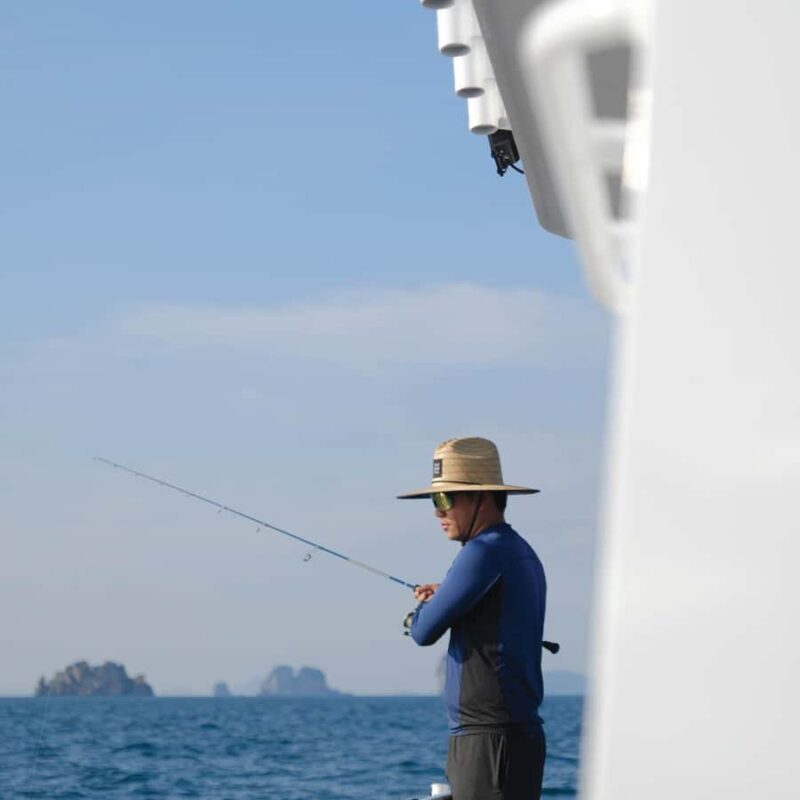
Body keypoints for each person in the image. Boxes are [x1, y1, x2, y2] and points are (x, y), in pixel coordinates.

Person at [398, 437, 547, 800]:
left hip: (488, 742)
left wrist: (420, 610)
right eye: (435, 500)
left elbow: (423, 631)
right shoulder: (515, 551)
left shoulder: (481, 553)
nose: (437, 511)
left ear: (482, 498)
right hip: (505, 739)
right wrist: (447, 592)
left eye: (445, 499)